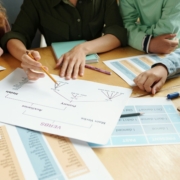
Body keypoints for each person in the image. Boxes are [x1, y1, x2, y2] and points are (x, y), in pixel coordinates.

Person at [1, 0, 127, 80]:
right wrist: (24, 55)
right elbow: (16, 35)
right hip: (57, 68)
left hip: (97, 66)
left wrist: (82, 49)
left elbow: (117, 33)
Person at [119, 0, 180, 94]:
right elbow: (123, 27)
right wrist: (148, 43)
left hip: (171, 51)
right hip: (145, 54)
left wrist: (138, 32)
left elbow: (166, 35)